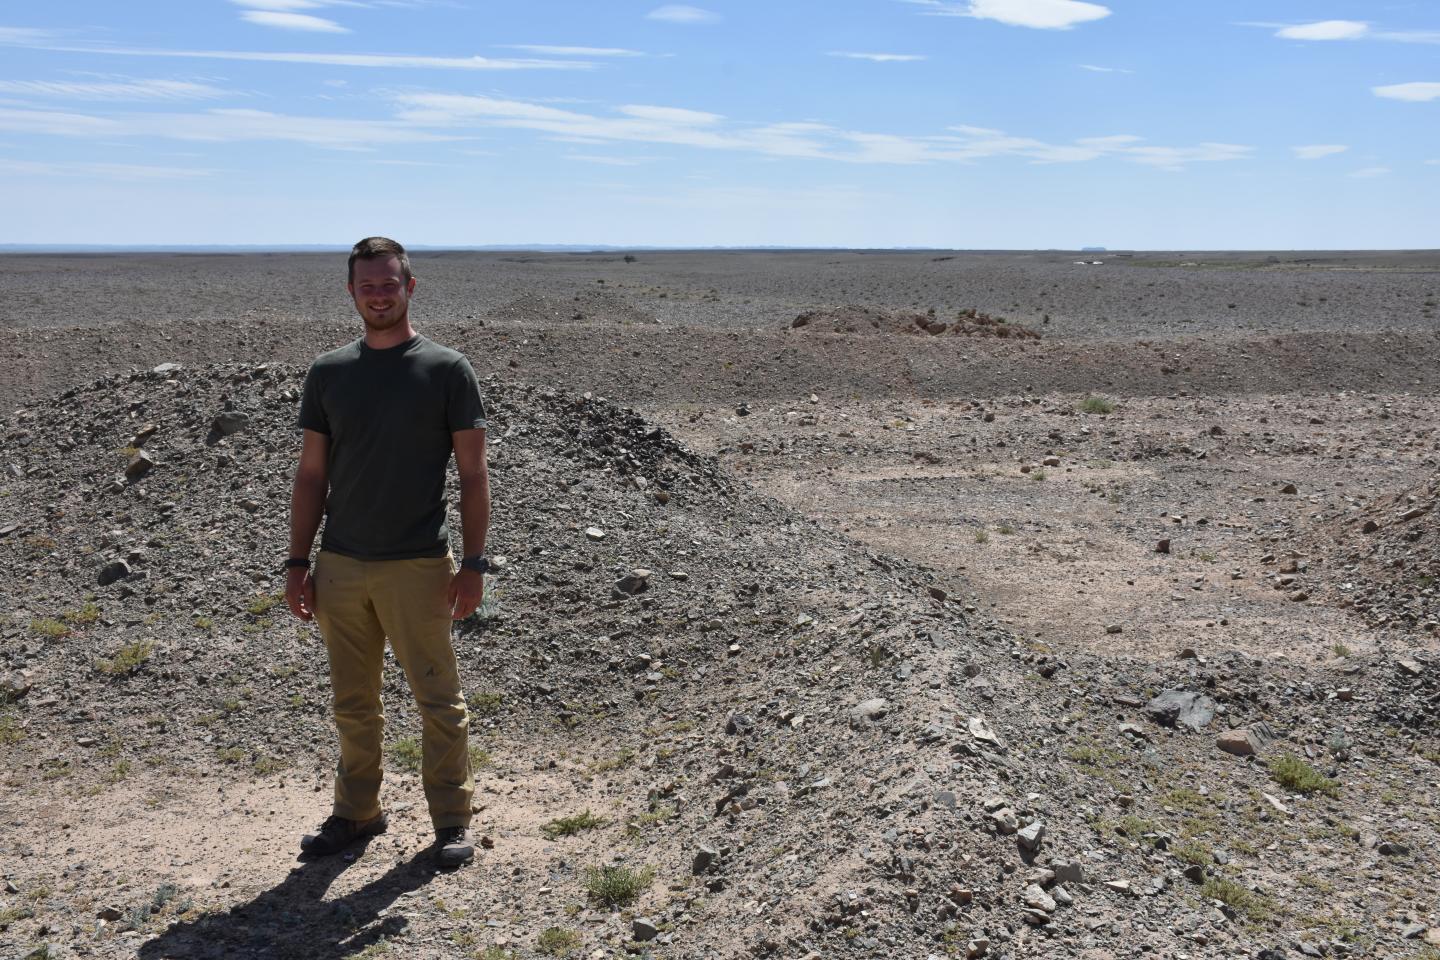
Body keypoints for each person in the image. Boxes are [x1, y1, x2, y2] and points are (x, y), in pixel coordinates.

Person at [285, 236, 490, 868]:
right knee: (352, 701)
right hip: (341, 564)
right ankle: (356, 812)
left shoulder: (446, 370)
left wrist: (475, 564)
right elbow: (312, 476)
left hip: (418, 564)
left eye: (389, 283)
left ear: (410, 287)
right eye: (367, 285)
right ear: (351, 292)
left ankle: (452, 820)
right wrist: (298, 562)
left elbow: (474, 475)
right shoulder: (329, 373)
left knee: (438, 700)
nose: (379, 294)